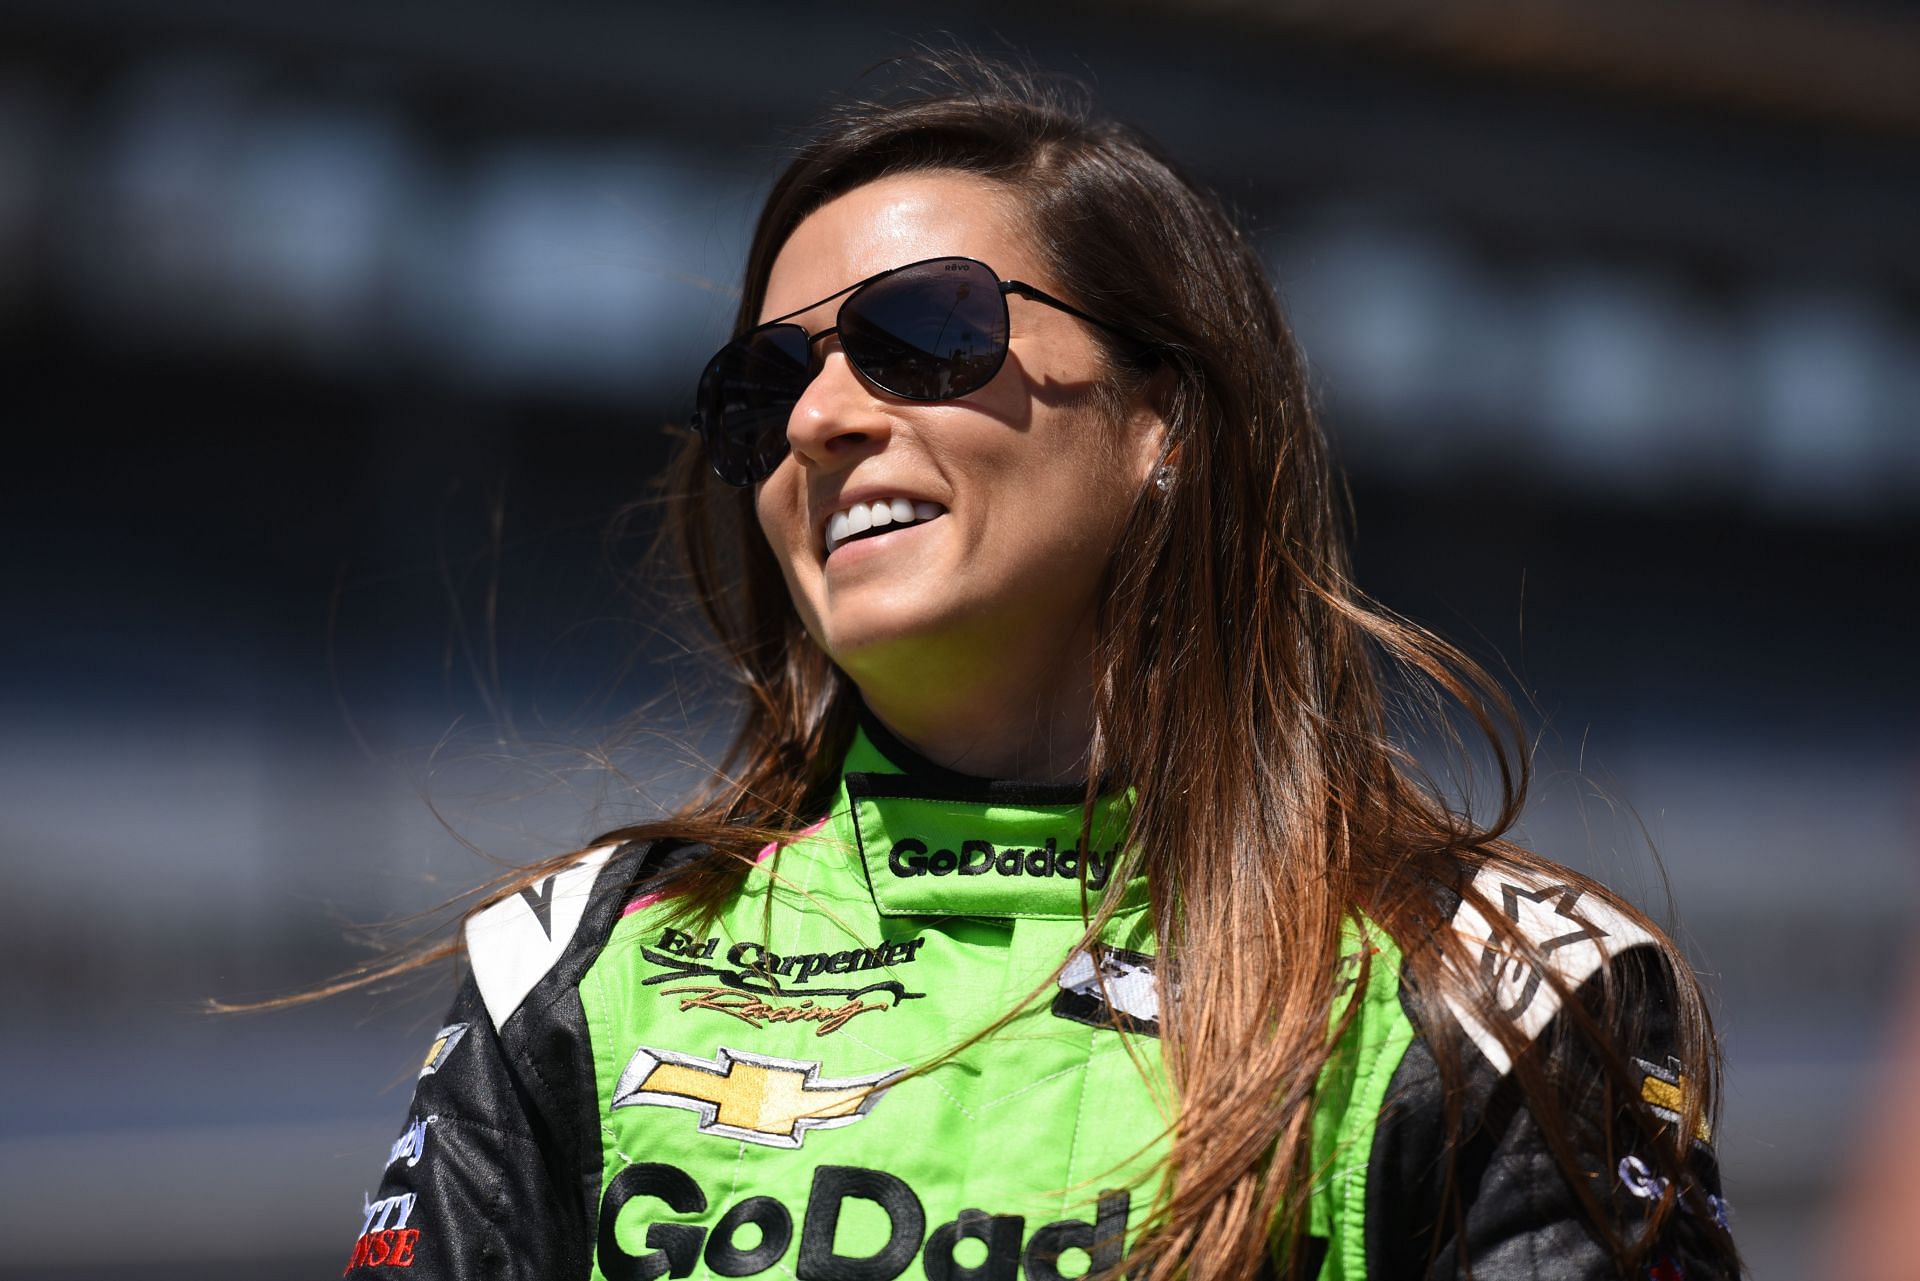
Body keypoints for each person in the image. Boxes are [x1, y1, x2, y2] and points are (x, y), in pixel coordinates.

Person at [339, 58, 1739, 1281]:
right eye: (764, 385)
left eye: (924, 334)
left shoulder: (1500, 995)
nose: (822, 416)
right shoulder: (577, 961)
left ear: (1162, 418)